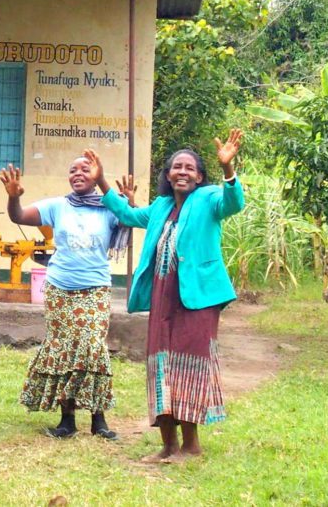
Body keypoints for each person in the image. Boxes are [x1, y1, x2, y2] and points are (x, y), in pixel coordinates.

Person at [84, 129, 245, 462]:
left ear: (200, 176)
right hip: (162, 298)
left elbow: (234, 203)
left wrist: (228, 170)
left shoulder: (210, 199)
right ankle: (168, 445)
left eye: (190, 168)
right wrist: (102, 182)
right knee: (161, 367)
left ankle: (191, 446)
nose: (182, 172)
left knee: (189, 367)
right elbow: (128, 215)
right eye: (176, 167)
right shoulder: (160, 207)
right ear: (168, 175)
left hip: (197, 299)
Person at [2, 157, 131, 439]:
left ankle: (99, 420)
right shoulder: (57, 206)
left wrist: (126, 200)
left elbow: (127, 219)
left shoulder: (109, 206)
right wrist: (13, 198)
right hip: (59, 288)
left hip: (95, 288)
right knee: (64, 350)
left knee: (92, 348)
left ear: (97, 174)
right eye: (73, 170)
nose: (78, 174)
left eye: (85, 169)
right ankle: (67, 421)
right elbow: (19, 216)